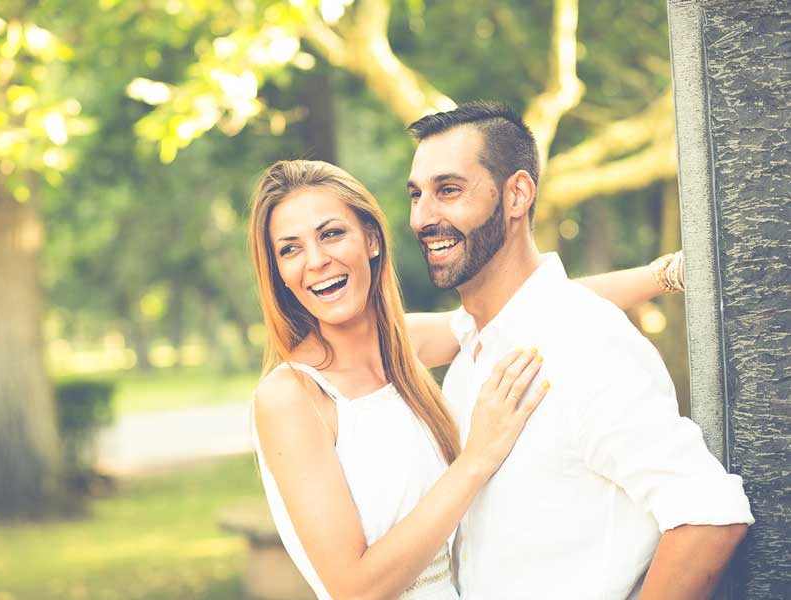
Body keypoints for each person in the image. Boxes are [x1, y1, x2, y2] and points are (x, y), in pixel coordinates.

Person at [249, 159, 684, 599]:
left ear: (372, 240)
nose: (317, 260)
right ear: (279, 273)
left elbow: (533, 305)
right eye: (290, 249)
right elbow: (354, 588)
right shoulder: (291, 396)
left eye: (331, 234)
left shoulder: (402, 348)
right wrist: (477, 458)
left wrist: (666, 274)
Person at [405, 101, 754, 599]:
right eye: (416, 195)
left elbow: (709, 515)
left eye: (449, 191)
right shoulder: (470, 357)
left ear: (517, 195)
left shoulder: (584, 342)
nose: (423, 217)